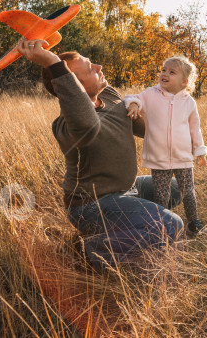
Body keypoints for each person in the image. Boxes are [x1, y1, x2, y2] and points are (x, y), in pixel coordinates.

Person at [16, 38, 184, 271]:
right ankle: (83, 251)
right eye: (90, 69)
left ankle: (128, 225)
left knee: (179, 186)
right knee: (171, 225)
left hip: (126, 191)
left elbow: (143, 128)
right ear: (74, 86)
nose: (99, 67)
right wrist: (52, 63)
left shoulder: (109, 97)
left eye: (92, 63)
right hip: (90, 206)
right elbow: (87, 123)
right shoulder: (67, 126)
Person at [125, 56, 207, 236]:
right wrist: (133, 105)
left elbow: (195, 128)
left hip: (183, 157)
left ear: (184, 81)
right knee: (161, 196)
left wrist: (200, 150)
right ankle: (162, 226)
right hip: (159, 157)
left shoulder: (188, 102)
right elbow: (133, 97)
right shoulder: (151, 94)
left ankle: (194, 222)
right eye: (163, 70)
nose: (165, 74)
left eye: (171, 72)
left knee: (188, 192)